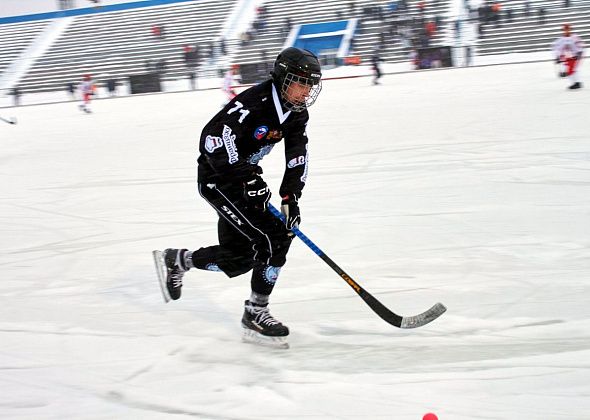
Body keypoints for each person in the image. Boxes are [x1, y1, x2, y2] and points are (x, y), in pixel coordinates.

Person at [154, 47, 322, 348]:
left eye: (310, 84)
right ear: (283, 78)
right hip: (219, 180)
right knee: (275, 237)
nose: (306, 90)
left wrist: (290, 196)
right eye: (301, 82)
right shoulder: (255, 103)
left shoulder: (296, 113)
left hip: (243, 180)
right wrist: (246, 177)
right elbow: (214, 138)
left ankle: (178, 260)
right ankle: (256, 314)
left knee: (241, 258)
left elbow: (298, 154)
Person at [552, 23, 584, 89]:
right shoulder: (560, 40)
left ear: (570, 30)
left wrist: (579, 52)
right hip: (567, 57)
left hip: (575, 56)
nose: (566, 31)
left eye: (568, 29)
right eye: (565, 30)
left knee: (571, 70)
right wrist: (557, 57)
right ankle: (576, 82)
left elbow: (579, 45)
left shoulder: (575, 37)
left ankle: (576, 83)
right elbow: (558, 49)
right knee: (570, 70)